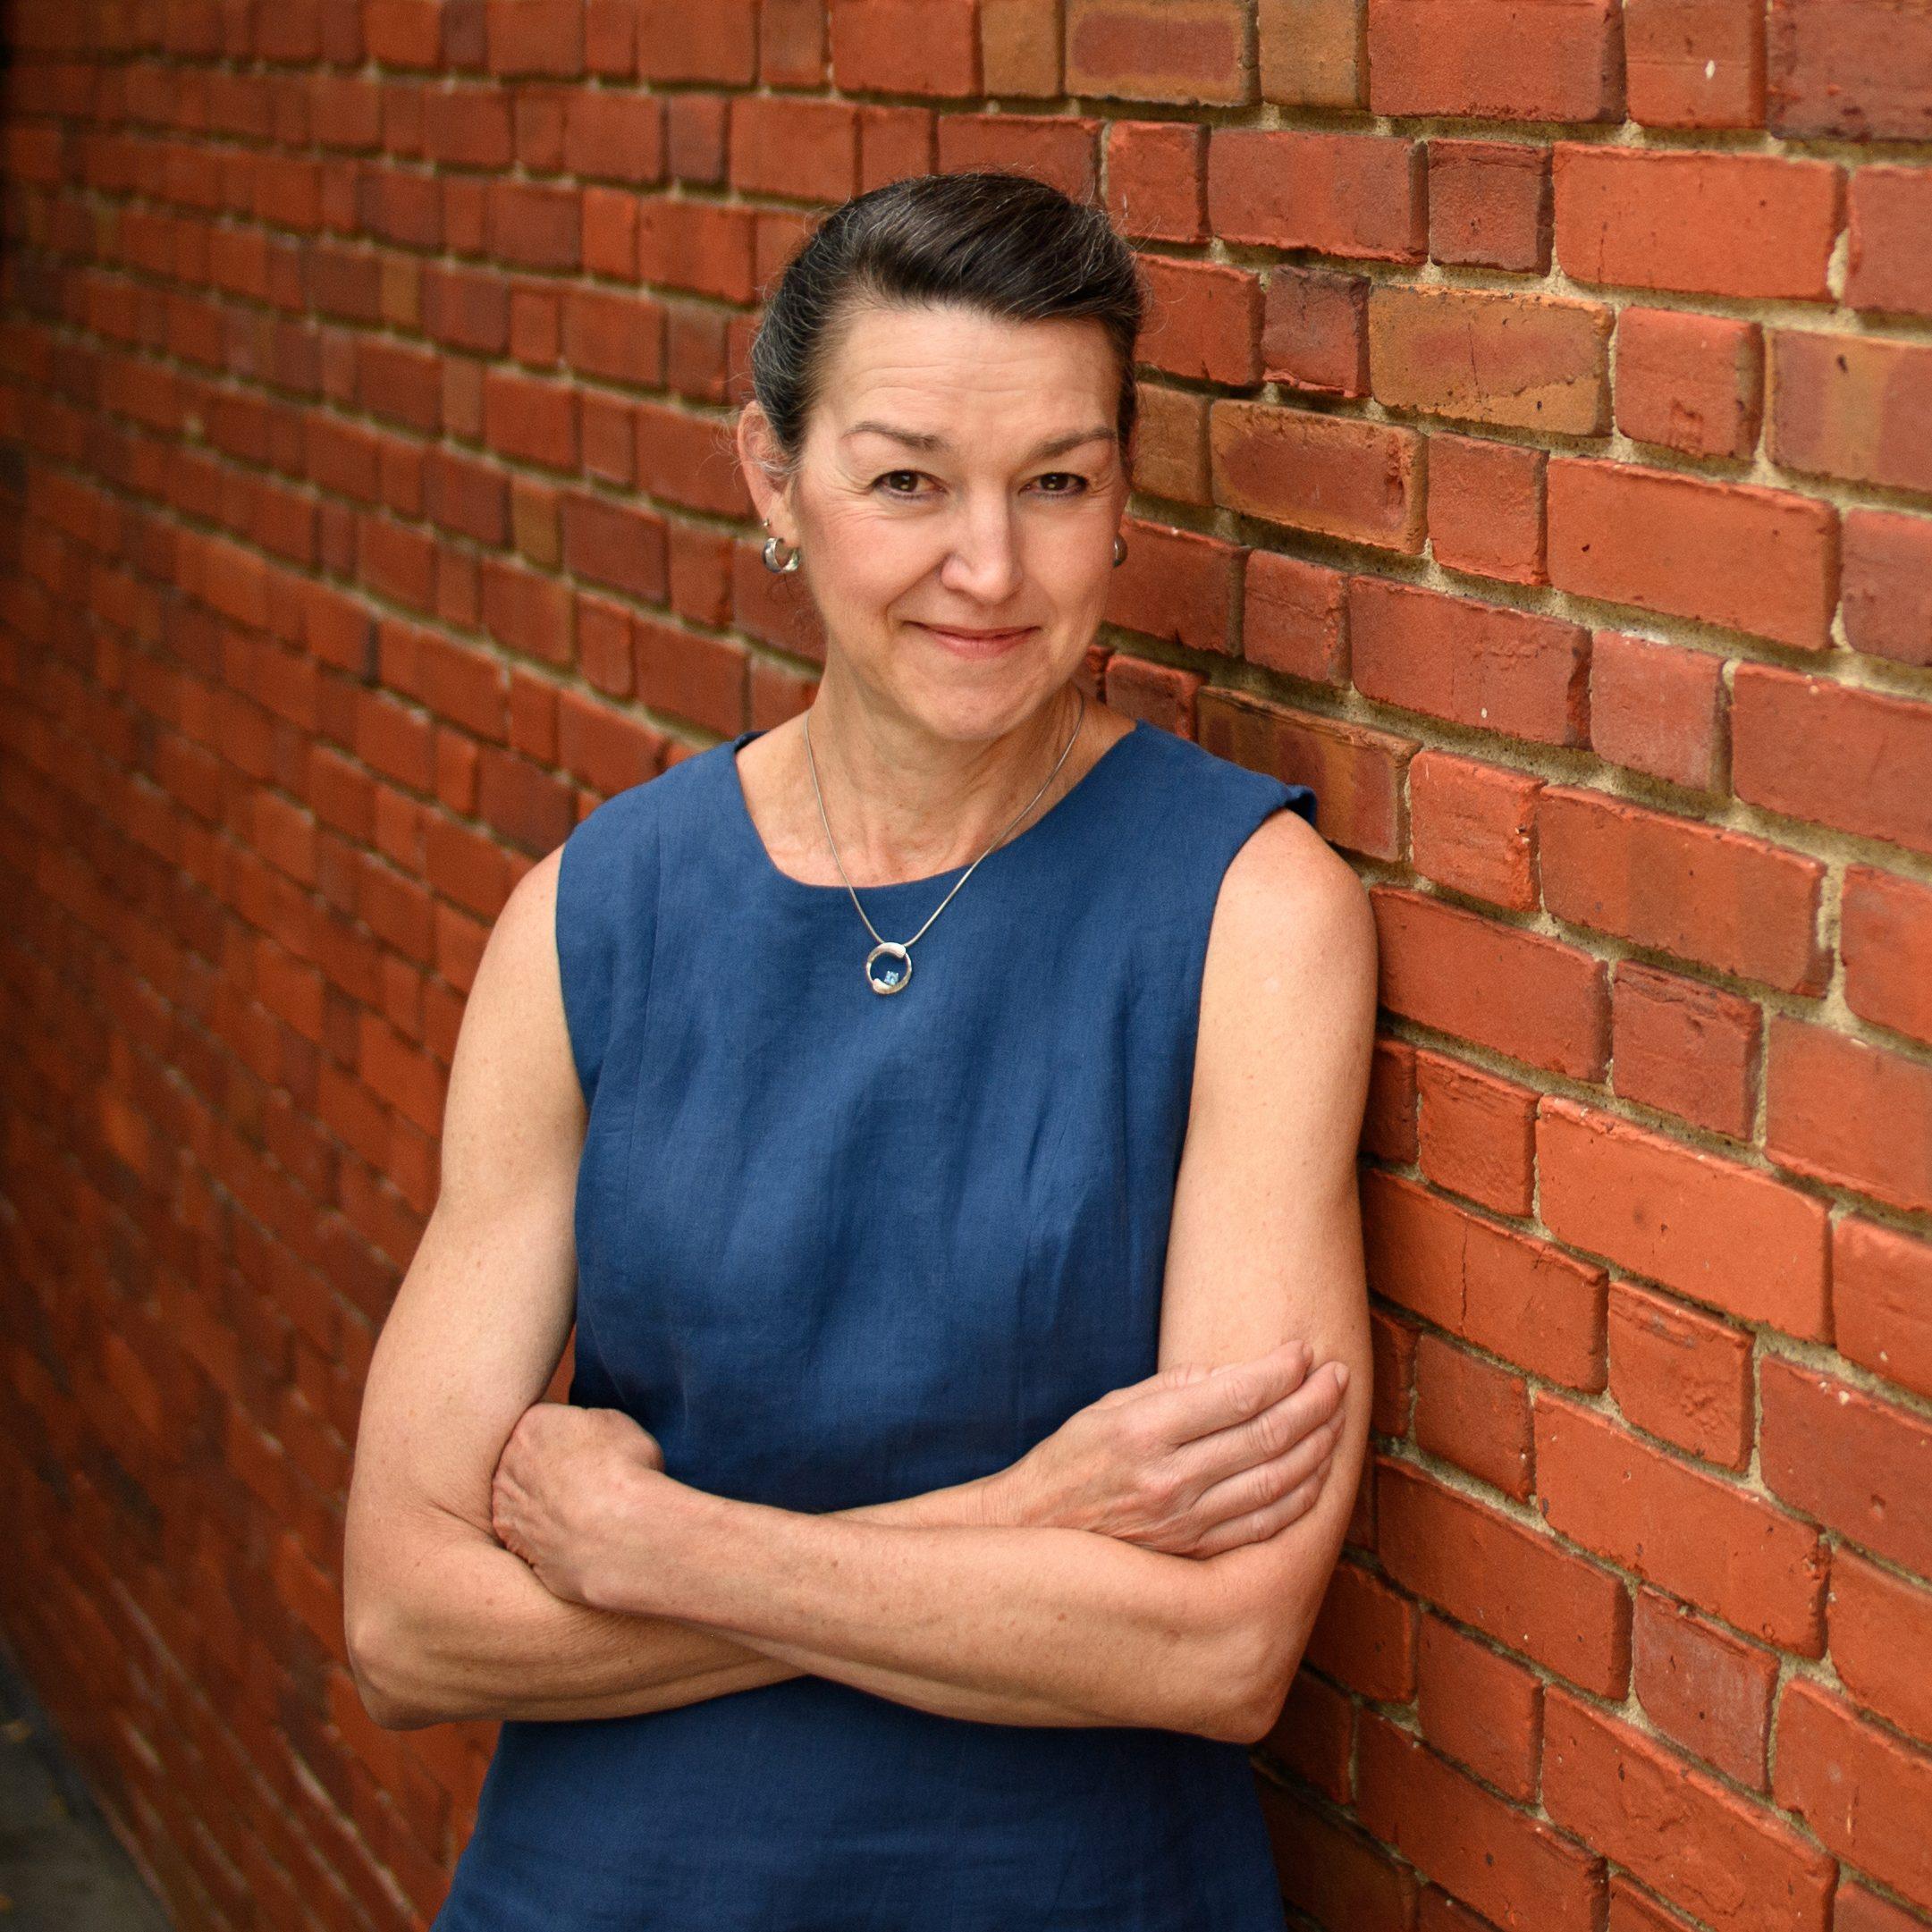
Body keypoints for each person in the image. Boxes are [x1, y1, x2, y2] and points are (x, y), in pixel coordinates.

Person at [343, 168, 1378, 1931]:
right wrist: (1015, 1520)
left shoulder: (1247, 915)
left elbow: (1218, 1643)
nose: (988, 566)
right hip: (608, 1892)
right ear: (772, 475)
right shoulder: (593, 916)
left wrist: (669, 1547)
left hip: (1059, 1895)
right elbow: (403, 1620)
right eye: (907, 480)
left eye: (1056, 483)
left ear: (1123, 494)